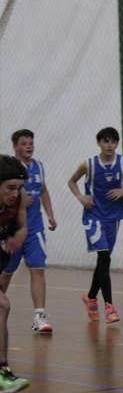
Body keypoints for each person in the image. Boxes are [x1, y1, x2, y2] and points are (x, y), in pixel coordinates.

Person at [67, 127, 123, 324]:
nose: (109, 145)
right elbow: (72, 181)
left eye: (113, 141)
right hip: (93, 216)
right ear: (99, 143)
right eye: (105, 141)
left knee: (103, 261)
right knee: (104, 256)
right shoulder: (89, 164)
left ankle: (90, 296)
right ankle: (109, 306)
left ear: (117, 143)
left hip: (113, 217)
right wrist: (81, 197)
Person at [0, 130, 57, 333]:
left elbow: (43, 190)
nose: (29, 146)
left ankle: (39, 316)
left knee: (38, 269)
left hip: (34, 229)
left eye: (31, 143)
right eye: (24, 143)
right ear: (15, 146)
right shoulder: (9, 170)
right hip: (11, 231)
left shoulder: (38, 166)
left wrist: (50, 214)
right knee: (6, 273)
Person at [0, 155, 30, 393]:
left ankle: (3, 370)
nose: (15, 193)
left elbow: (22, 227)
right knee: (2, 306)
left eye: (18, 188)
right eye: (10, 188)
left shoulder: (17, 200)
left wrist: (17, 237)